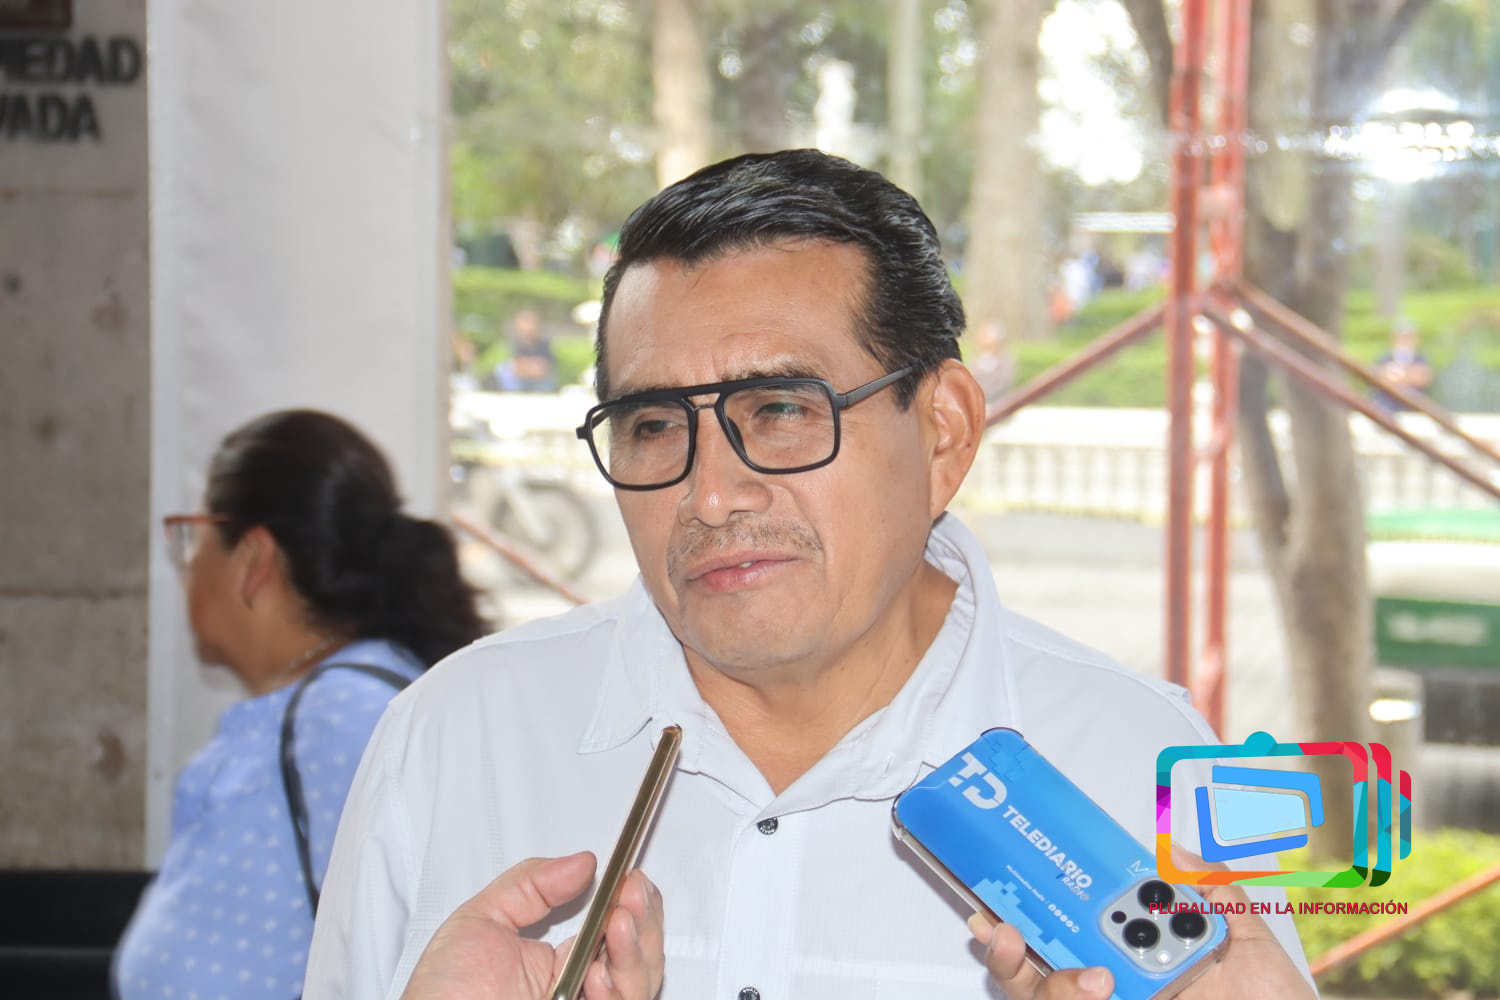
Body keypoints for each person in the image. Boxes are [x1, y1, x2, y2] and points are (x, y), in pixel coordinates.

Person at [305, 151, 1312, 999]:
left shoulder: (1140, 767)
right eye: (654, 425)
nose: (712, 494)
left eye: (781, 410)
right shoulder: (456, 741)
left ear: (945, 431)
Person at [114, 410, 487, 1000]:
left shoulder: (341, 716)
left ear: (252, 558)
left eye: (195, 536)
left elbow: (419, 954)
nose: (189, 567)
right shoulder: (322, 707)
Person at [1372, 318, 1434, 412]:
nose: (1405, 341)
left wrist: (1396, 377)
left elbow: (1423, 378)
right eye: (1402, 337)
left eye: (1409, 337)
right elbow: (1380, 379)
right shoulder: (1385, 358)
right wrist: (1408, 376)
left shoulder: (1421, 359)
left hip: (1414, 404)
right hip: (1387, 404)